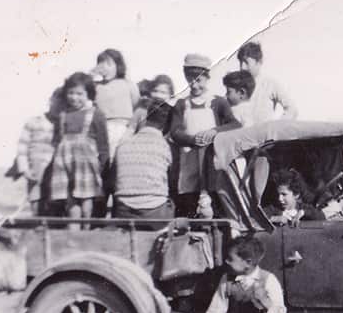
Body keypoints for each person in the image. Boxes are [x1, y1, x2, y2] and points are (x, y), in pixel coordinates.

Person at [168, 53, 239, 216]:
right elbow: (175, 131)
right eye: (190, 80)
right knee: (190, 203)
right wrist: (192, 139)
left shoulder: (217, 102)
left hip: (212, 161)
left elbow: (235, 125)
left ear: (207, 78)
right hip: (189, 161)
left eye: (198, 80)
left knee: (214, 199)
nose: (194, 85)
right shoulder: (181, 104)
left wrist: (214, 132)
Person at [48, 72, 110, 227]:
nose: (74, 97)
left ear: (89, 94)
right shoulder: (63, 115)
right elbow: (57, 140)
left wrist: (102, 166)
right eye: (71, 93)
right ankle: (74, 231)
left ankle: (86, 228)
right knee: (70, 200)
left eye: (79, 94)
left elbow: (103, 145)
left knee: (86, 198)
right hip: (65, 164)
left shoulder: (96, 114)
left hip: (86, 166)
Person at [111, 100, 176, 228]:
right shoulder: (164, 146)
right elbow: (172, 180)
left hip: (124, 211)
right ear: (167, 126)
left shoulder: (124, 144)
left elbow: (114, 179)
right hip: (155, 212)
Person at [12, 99, 57, 215]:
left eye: (62, 102)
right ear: (50, 101)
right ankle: (37, 222)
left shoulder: (64, 123)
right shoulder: (34, 122)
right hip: (35, 168)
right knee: (35, 196)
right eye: (56, 101)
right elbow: (22, 146)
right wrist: (24, 169)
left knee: (54, 199)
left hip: (55, 169)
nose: (58, 105)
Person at [90, 48, 138, 154]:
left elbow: (136, 105)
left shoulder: (128, 84)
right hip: (101, 128)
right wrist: (91, 75)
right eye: (101, 64)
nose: (105, 67)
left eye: (109, 64)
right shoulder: (96, 86)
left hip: (123, 129)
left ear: (118, 65)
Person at [236, 41, 299, 124]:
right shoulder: (235, 88)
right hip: (243, 136)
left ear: (259, 62)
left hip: (264, 135)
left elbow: (292, 109)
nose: (242, 67)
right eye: (241, 62)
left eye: (246, 62)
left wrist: (276, 128)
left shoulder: (270, 84)